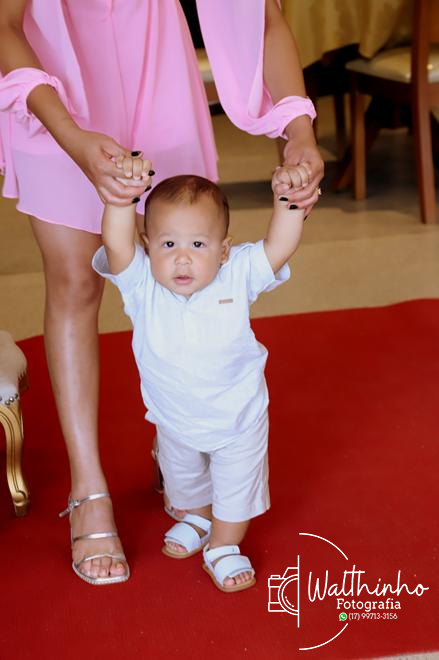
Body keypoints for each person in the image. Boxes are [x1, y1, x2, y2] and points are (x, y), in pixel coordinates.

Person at [0, 0, 323, 585]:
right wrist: (70, 136)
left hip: (157, 64)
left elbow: (264, 16)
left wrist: (299, 131)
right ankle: (88, 489)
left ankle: (181, 441)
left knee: (182, 251)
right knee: (75, 279)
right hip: (48, 77)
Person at [92, 155, 307, 592]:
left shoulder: (236, 274)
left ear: (223, 250)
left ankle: (224, 544)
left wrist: (288, 202)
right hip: (174, 418)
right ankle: (198, 517)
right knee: (183, 480)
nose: (182, 259)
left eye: (198, 245)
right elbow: (116, 243)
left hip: (238, 418)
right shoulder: (141, 285)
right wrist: (122, 199)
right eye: (168, 244)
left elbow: (279, 247)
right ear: (147, 245)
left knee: (235, 487)